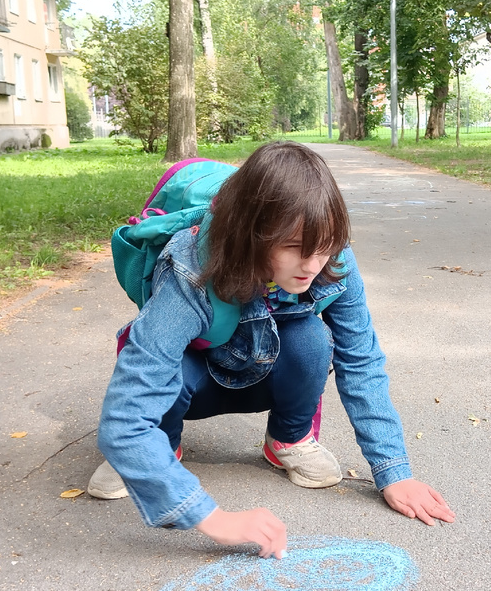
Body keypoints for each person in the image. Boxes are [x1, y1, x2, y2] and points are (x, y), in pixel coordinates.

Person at [90, 141, 455, 558]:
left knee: (313, 341)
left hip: (265, 365)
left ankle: (288, 439)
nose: (313, 264)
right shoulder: (190, 270)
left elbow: (362, 360)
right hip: (196, 377)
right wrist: (213, 518)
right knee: (158, 390)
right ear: (251, 234)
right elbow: (124, 419)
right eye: (295, 247)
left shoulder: (330, 255)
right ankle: (164, 446)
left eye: (326, 246)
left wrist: (394, 471)